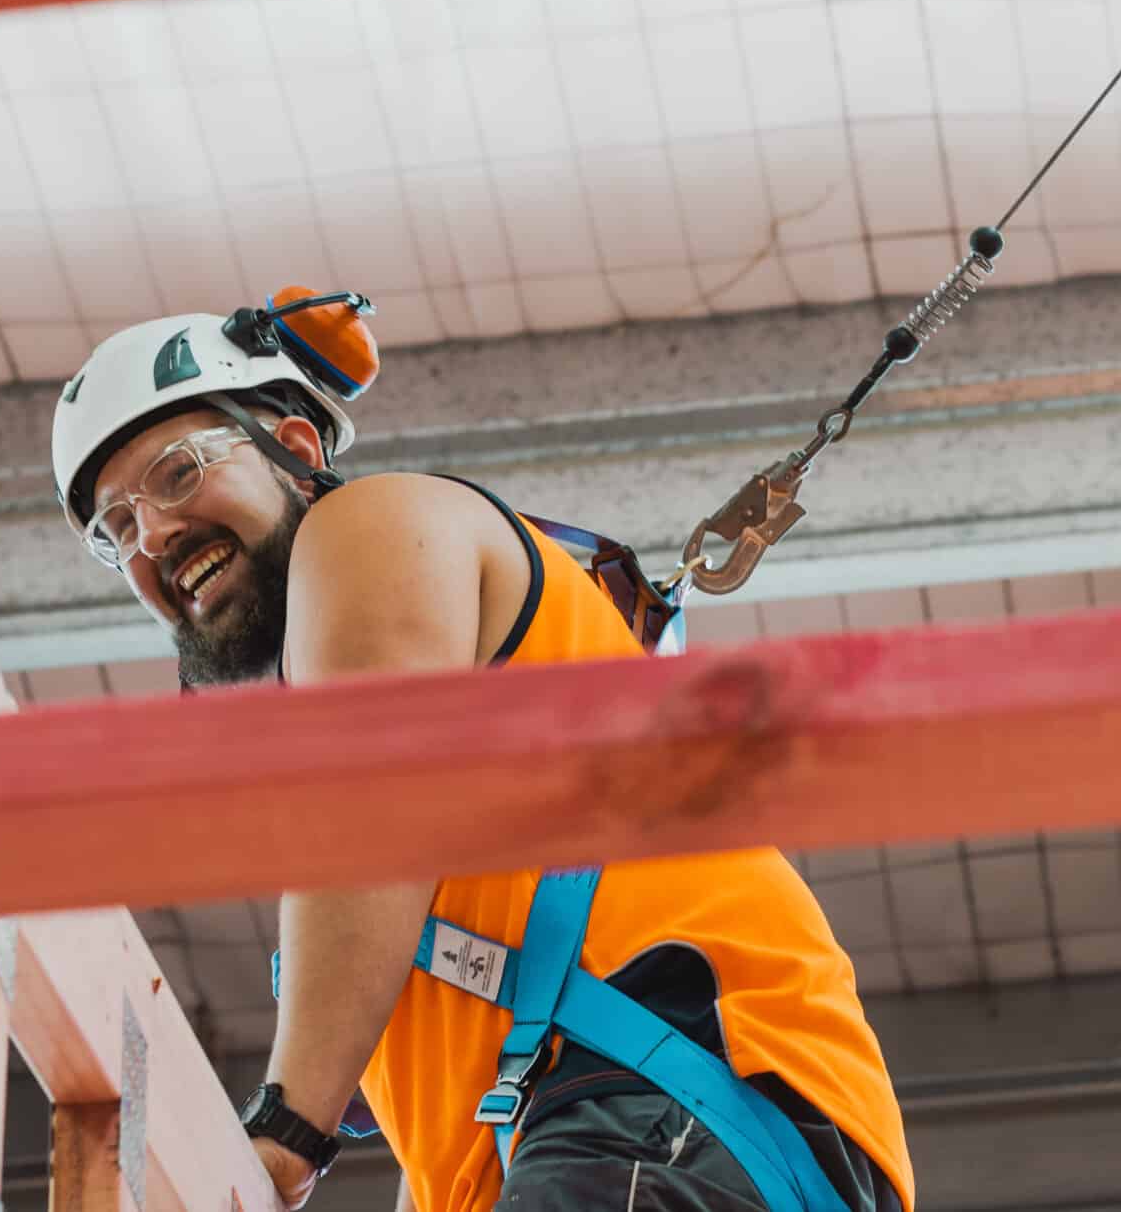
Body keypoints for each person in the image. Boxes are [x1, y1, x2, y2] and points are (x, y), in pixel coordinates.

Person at [49, 295, 914, 1212]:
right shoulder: (379, 712)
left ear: (298, 450)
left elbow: (376, 811)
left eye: (178, 473)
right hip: (668, 1135)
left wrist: (287, 1128)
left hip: (659, 1110)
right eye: (117, 529)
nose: (153, 535)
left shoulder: (371, 525)